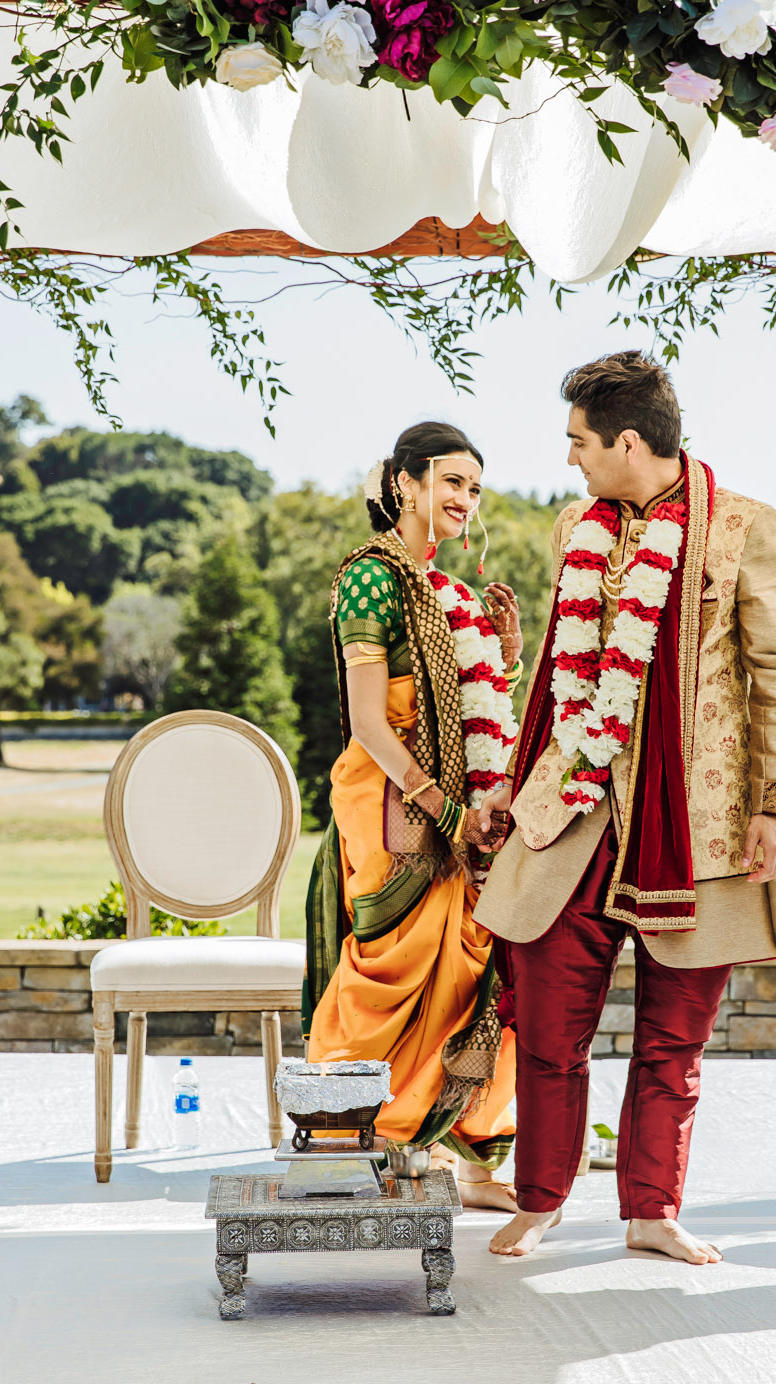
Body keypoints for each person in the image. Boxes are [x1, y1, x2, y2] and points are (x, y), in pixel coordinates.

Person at [475, 351, 776, 1264]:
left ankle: (651, 1209)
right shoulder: (573, 527)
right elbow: (552, 660)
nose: (570, 459)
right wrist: (510, 773)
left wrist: (774, 805)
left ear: (628, 440)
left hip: (700, 824)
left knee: (674, 1036)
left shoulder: (746, 529)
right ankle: (540, 1197)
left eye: (579, 441)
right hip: (571, 813)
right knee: (544, 1022)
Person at [301, 422, 524, 1211]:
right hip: (394, 806)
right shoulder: (372, 579)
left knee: (476, 977)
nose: (465, 499)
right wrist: (444, 809)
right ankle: (341, 1144)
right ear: (404, 482)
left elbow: (478, 719)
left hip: (458, 811)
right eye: (452, 481)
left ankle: (474, 1164)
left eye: (474, 488)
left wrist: (505, 655)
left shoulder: (451, 594)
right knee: (389, 971)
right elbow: (370, 722)